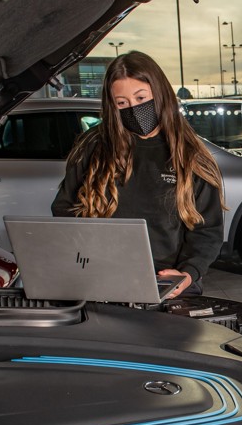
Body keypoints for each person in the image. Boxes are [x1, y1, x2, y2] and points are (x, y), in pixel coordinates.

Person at [52, 51, 225, 297]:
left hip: (168, 285)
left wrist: (187, 273)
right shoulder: (94, 146)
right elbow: (64, 210)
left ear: (160, 93)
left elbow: (207, 230)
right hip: (104, 283)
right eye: (122, 103)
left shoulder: (190, 155)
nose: (133, 109)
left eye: (141, 97)